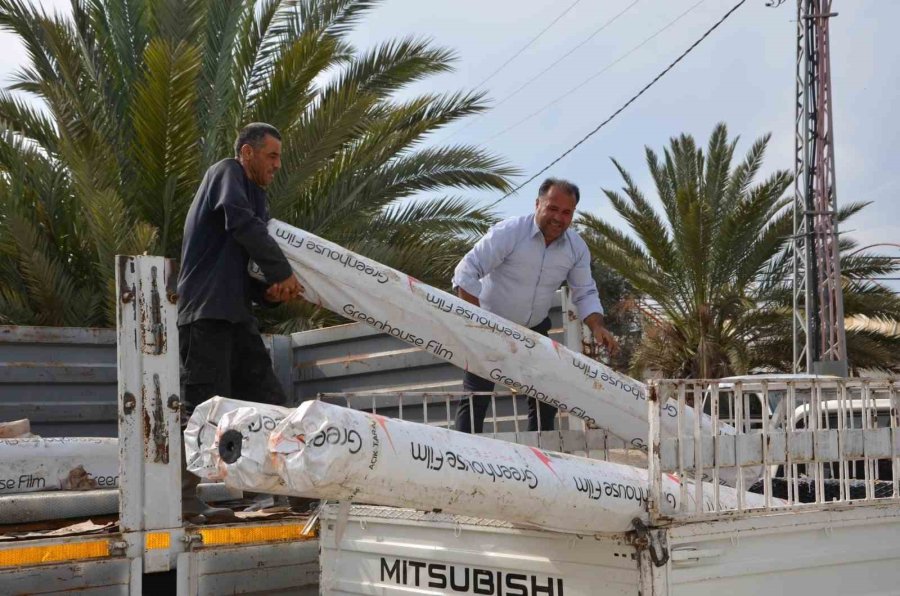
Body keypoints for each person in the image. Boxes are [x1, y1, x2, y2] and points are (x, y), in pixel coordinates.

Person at [176, 122, 304, 521]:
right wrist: (280, 271)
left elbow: (238, 264)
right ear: (247, 153)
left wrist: (267, 291)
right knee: (203, 408)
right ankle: (180, 499)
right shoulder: (226, 173)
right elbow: (239, 222)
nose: (278, 165)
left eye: (279, 157)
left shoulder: (258, 200)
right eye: (272, 155)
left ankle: (289, 491)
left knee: (270, 403)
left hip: (236, 315)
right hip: (206, 314)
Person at [451, 177, 619, 434]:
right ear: (537, 204)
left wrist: (597, 326)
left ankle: (539, 462)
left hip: (534, 329)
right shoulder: (509, 232)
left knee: (546, 397)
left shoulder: (577, 248)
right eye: (552, 208)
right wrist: (476, 324)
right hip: (489, 324)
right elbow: (466, 271)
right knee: (476, 397)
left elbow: (584, 292)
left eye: (566, 212)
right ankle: (463, 461)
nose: (558, 218)